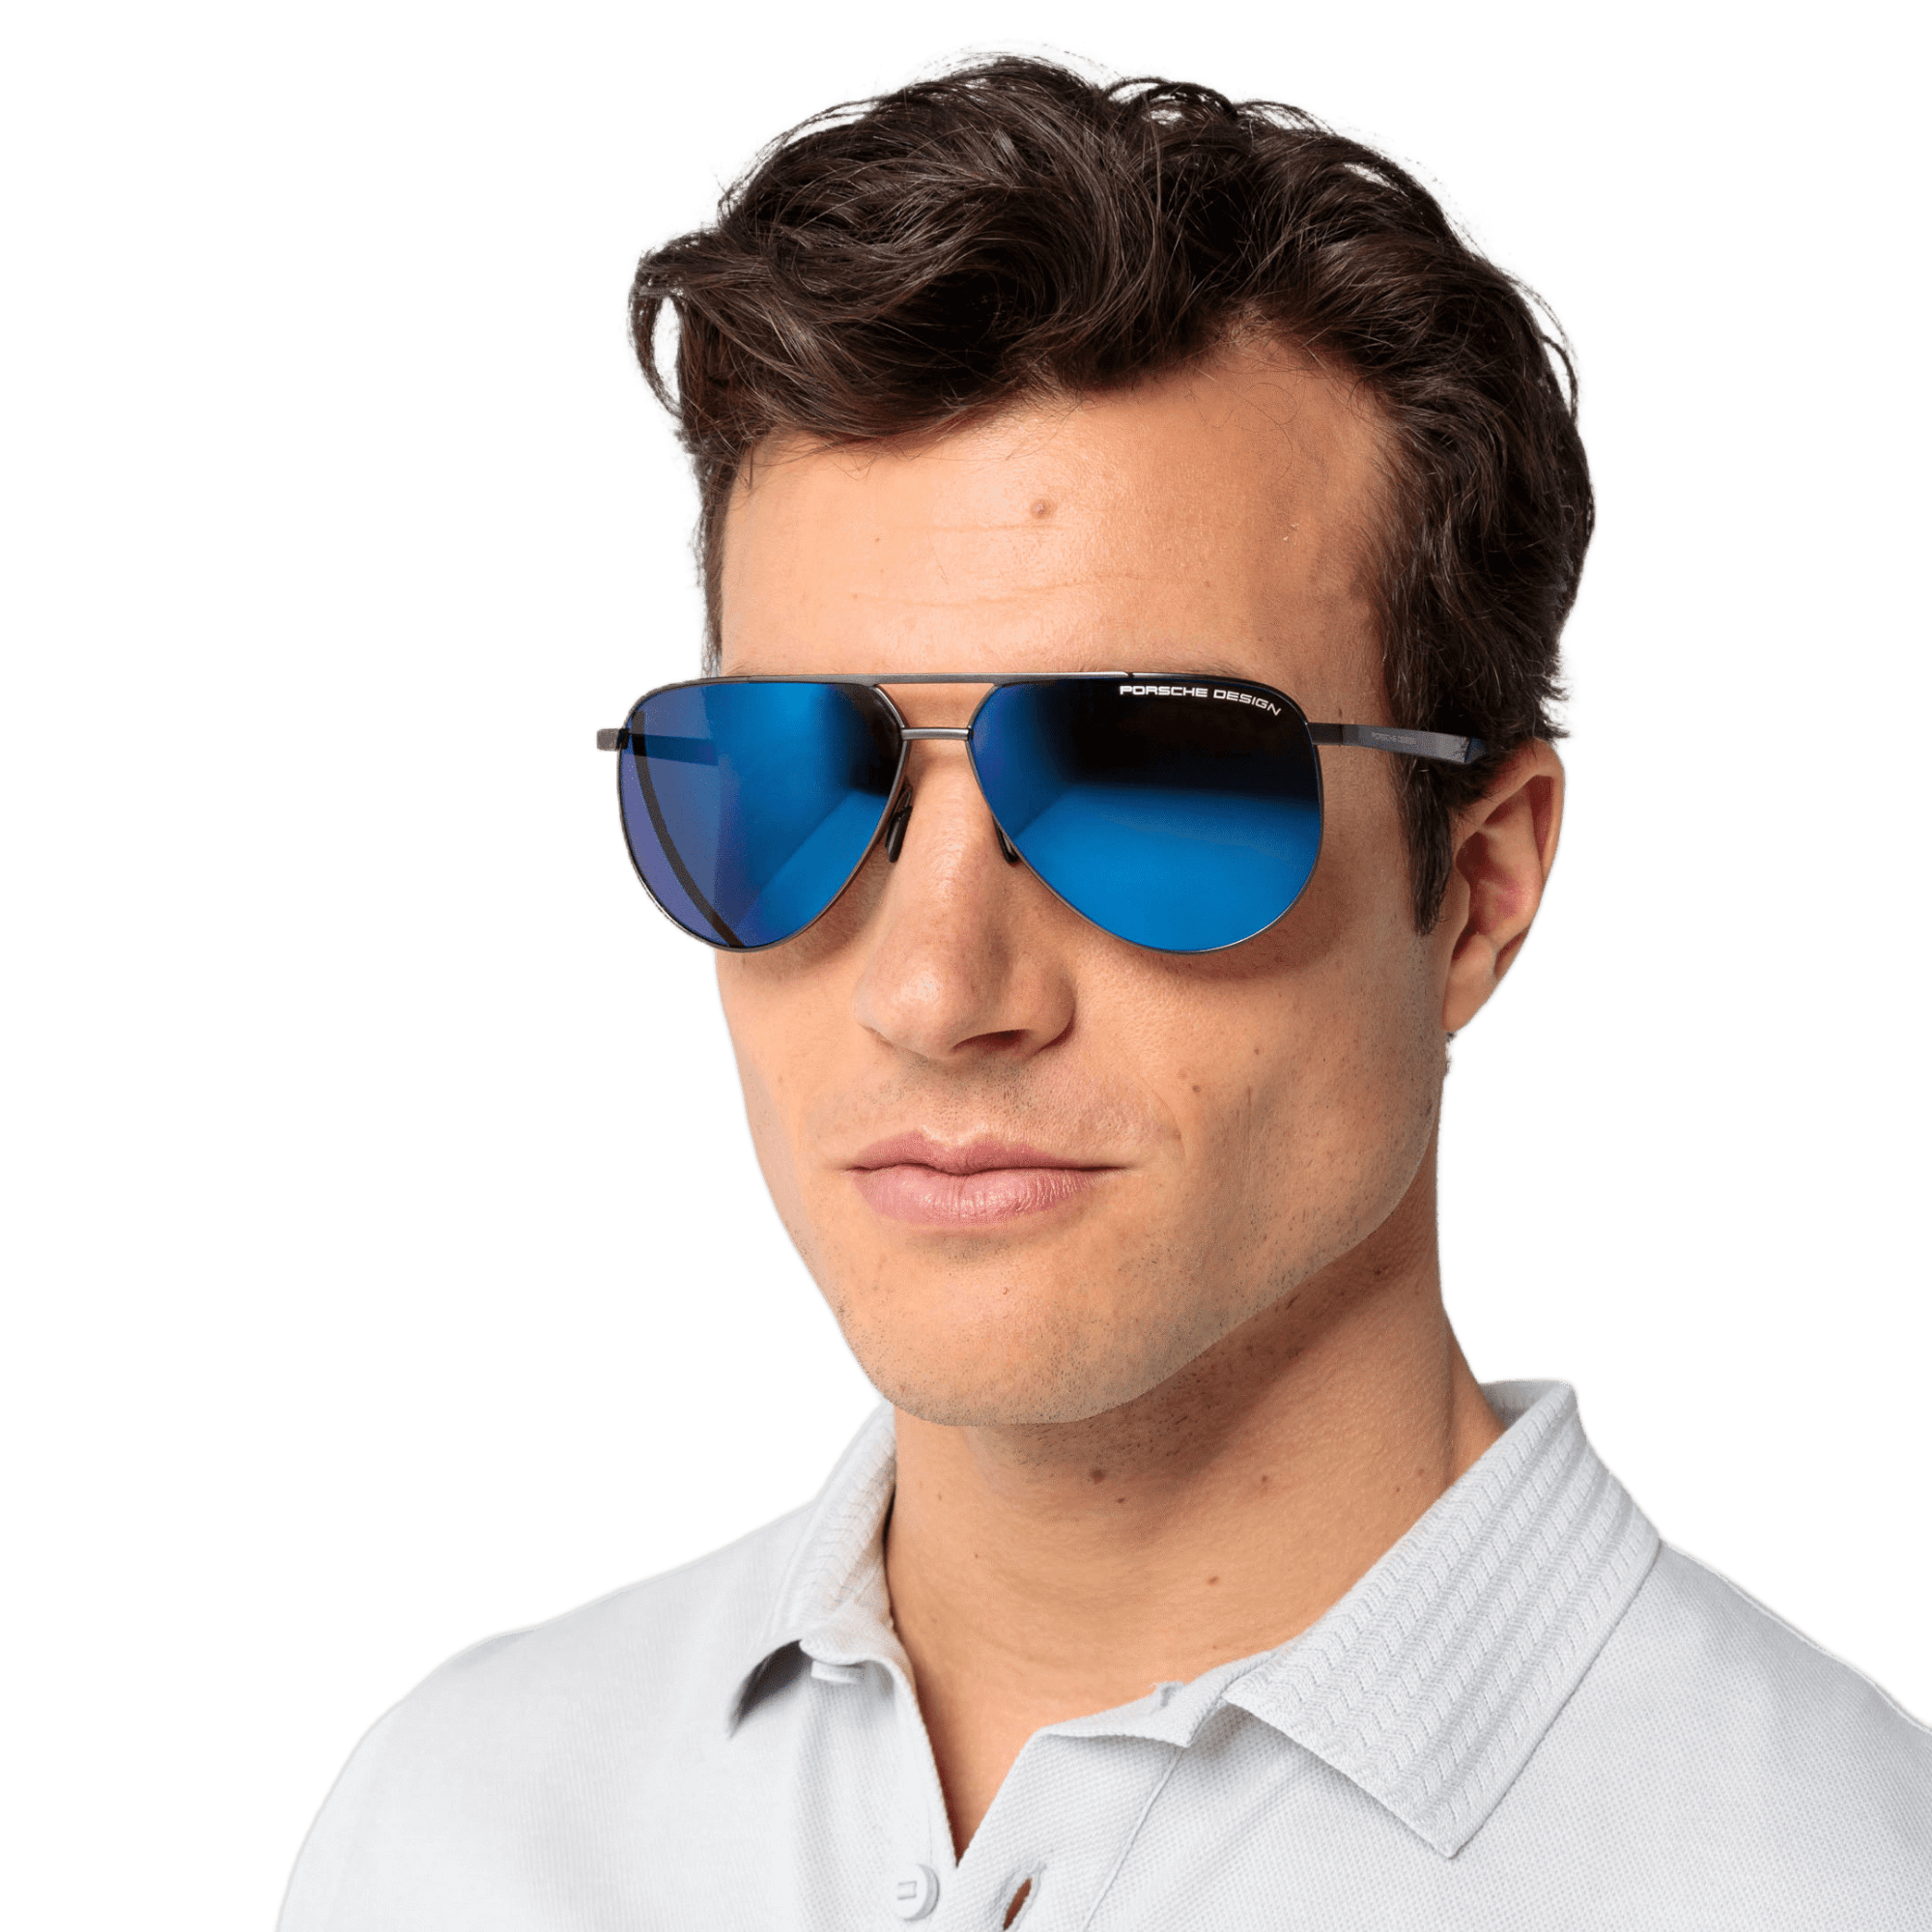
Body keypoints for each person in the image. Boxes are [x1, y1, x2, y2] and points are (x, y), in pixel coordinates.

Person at [276, 42, 1928, 1930]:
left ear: (1481, 883)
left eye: (1150, 781)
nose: (933, 986)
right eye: (797, 781)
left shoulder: (1844, 1886)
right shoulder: (459, 1832)